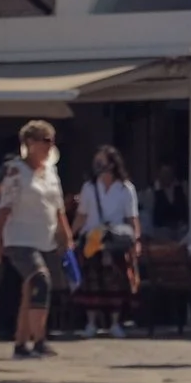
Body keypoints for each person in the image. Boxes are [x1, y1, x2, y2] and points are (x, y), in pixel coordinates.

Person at [0, 119, 75, 360]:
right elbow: (4, 207)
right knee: (40, 280)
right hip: (19, 238)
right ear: (30, 143)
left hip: (44, 237)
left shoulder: (51, 171)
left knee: (30, 291)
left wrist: (66, 234)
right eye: (45, 140)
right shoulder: (16, 171)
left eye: (52, 141)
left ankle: (20, 343)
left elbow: (57, 206)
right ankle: (39, 340)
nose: (50, 146)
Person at [71, 144, 142, 340]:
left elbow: (132, 218)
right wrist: (70, 235)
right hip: (92, 239)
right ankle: (91, 323)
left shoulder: (126, 188)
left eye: (102, 161)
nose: (98, 164)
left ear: (112, 163)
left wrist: (136, 240)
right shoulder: (89, 187)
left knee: (116, 283)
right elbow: (82, 215)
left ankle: (114, 323)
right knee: (91, 282)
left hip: (115, 240)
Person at [145, 163, 188, 242]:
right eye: (164, 173)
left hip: (180, 232)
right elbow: (149, 216)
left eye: (169, 173)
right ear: (159, 174)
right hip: (161, 233)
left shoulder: (182, 188)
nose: (167, 176)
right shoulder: (151, 192)